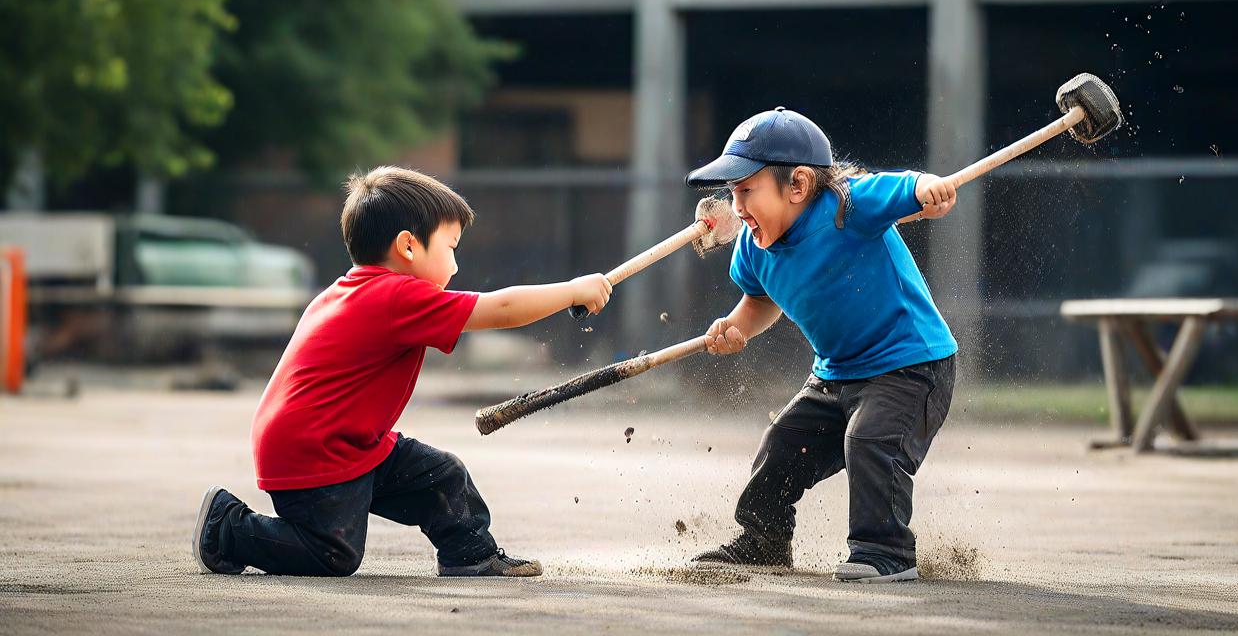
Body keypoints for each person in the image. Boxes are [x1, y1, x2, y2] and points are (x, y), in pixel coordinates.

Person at [192, 165, 612, 578]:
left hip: (346, 443)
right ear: (408, 246)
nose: (456, 267)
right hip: (316, 451)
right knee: (332, 553)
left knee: (442, 477)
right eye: (451, 249)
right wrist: (573, 290)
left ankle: (471, 554)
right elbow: (499, 310)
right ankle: (227, 527)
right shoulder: (398, 297)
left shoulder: (351, 290)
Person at [685, 107, 958, 583]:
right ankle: (763, 541)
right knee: (782, 445)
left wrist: (926, 191)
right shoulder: (753, 244)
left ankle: (885, 551)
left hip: (910, 365)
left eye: (747, 190)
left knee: (871, 440)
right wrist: (736, 328)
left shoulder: (847, 206)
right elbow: (759, 301)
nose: (738, 206)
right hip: (835, 373)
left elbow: (905, 189)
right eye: (733, 193)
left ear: (798, 185)